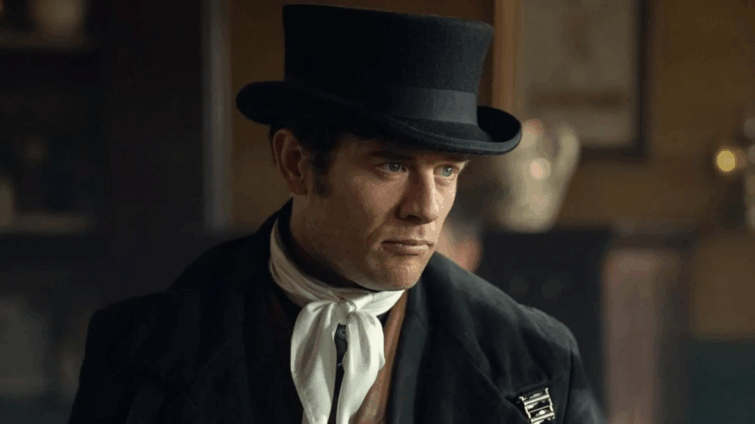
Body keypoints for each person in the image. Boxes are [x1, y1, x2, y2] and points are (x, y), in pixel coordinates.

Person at [68, 4, 603, 424]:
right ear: (296, 163)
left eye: (446, 170)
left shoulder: (535, 357)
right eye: (392, 165)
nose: (425, 208)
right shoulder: (137, 348)